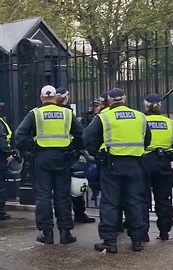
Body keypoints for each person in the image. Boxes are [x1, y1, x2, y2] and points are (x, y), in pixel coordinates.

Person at [84, 88, 151, 253]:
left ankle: (109, 242)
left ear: (109, 100)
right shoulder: (140, 116)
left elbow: (87, 138)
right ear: (124, 98)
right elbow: (147, 140)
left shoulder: (104, 117)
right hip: (135, 164)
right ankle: (137, 241)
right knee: (134, 201)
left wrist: (97, 154)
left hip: (112, 165)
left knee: (109, 202)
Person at [15, 85, 84, 244]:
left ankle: (47, 233)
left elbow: (19, 136)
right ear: (55, 98)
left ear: (41, 98)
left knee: (43, 195)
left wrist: (32, 147)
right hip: (63, 158)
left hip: (41, 158)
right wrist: (74, 150)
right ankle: (65, 232)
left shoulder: (35, 114)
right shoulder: (67, 113)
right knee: (62, 196)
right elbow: (81, 135)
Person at [142, 94, 173, 241]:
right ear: (159, 105)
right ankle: (164, 232)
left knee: (142, 200)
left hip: (144, 164)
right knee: (163, 200)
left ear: (145, 105)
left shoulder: (140, 122)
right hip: (163, 163)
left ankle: (142, 234)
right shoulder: (171, 124)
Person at [55, 87, 95, 224]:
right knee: (76, 182)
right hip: (69, 153)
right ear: (66, 97)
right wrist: (81, 148)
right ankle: (78, 213)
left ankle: (63, 216)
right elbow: (79, 133)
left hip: (51, 154)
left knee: (60, 188)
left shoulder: (44, 112)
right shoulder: (67, 113)